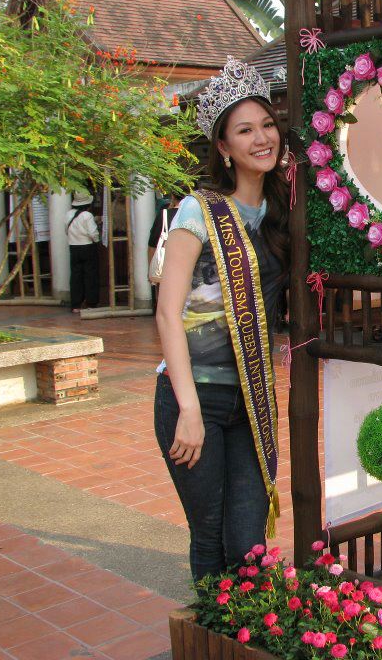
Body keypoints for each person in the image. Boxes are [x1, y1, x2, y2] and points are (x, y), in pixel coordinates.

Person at [154, 57, 290, 581]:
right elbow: (168, 315)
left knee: (248, 543)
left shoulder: (279, 213)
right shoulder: (198, 211)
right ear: (223, 147)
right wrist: (188, 408)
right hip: (195, 399)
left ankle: (242, 635)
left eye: (267, 125)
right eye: (245, 130)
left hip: (249, 400)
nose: (262, 138)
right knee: (209, 537)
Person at [147, 191, 185, 312]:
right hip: (186, 261)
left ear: (173, 196)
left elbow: (152, 244)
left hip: (166, 260)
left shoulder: (164, 215)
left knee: (164, 296)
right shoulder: (193, 214)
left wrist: (151, 268)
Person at [67, 191, 100, 312]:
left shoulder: (68, 214)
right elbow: (93, 233)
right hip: (87, 247)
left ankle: (76, 304)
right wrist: (97, 240)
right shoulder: (87, 215)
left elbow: (66, 230)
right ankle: (91, 302)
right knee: (90, 275)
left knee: (76, 276)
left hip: (73, 246)